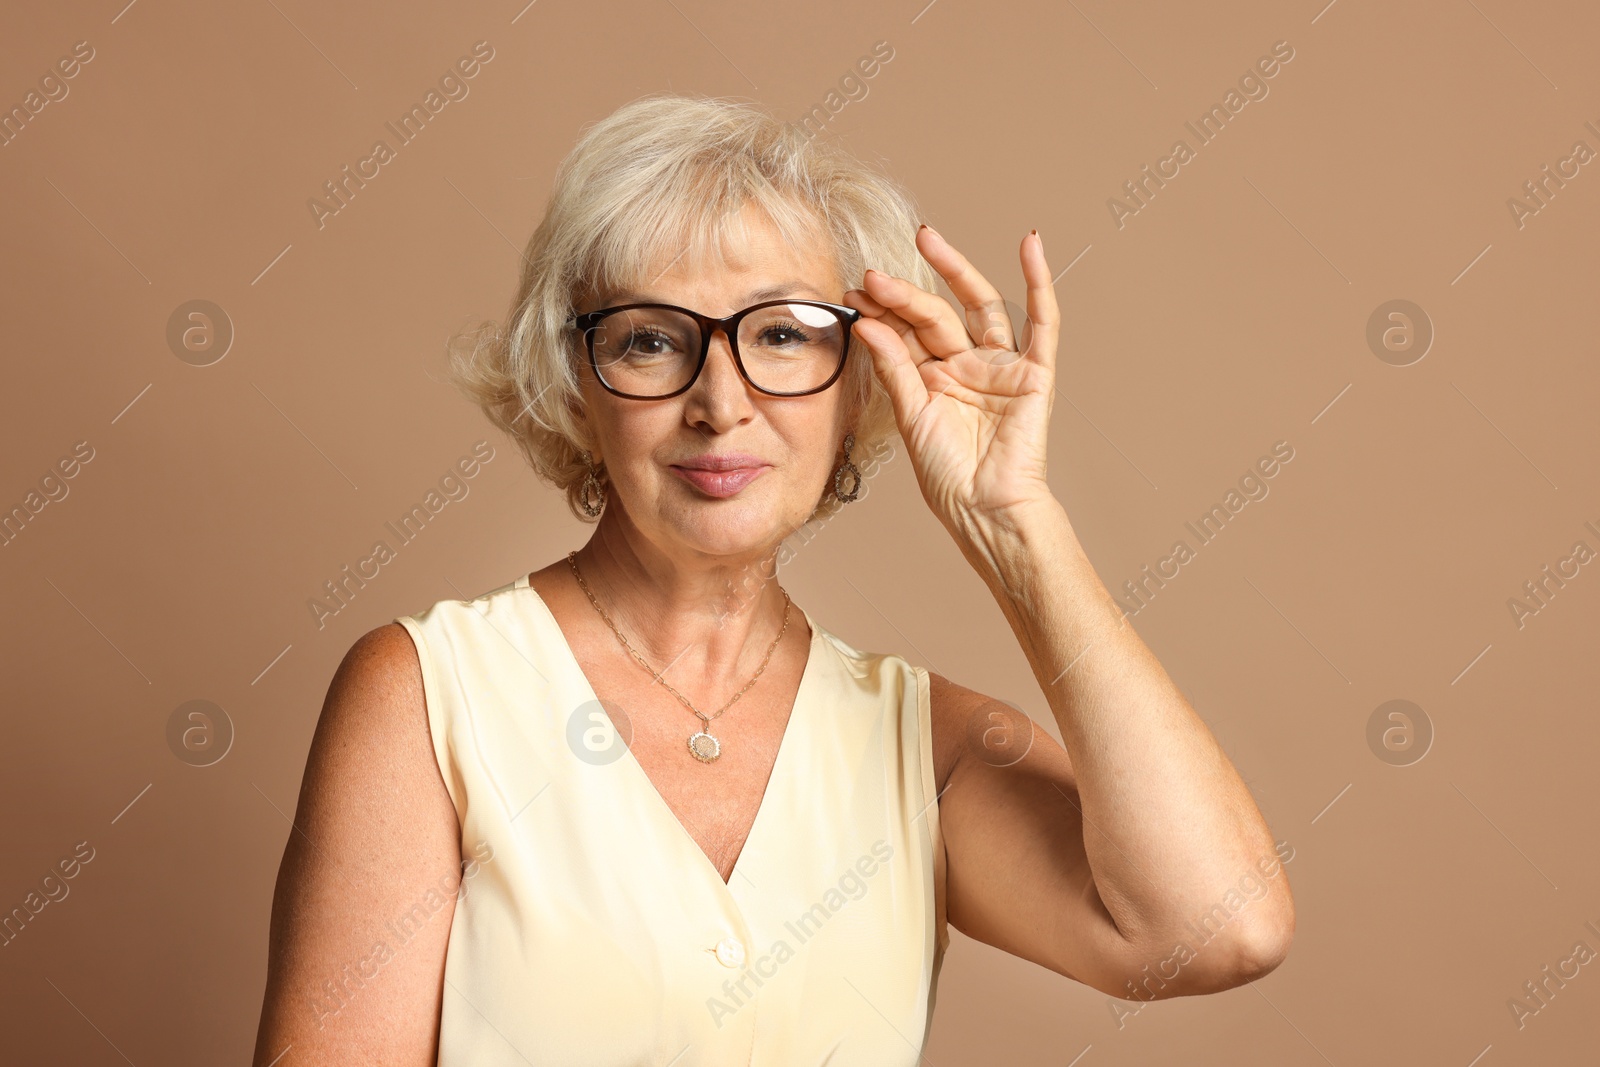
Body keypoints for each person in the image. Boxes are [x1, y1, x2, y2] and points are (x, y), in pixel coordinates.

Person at [252, 91, 1293, 1066]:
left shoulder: (922, 744)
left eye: (784, 334)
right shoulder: (433, 691)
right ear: (578, 381)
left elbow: (1219, 925)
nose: (721, 400)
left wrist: (1011, 524)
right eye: (653, 340)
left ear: (861, 380)